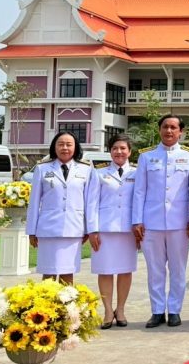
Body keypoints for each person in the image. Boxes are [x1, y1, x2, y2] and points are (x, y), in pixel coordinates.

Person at [132, 115, 189, 328]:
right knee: (155, 270)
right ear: (159, 130)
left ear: (181, 132)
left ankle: (175, 310)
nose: (169, 131)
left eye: (173, 127)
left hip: (179, 223)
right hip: (151, 222)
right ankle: (158, 311)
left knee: (178, 269)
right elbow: (139, 191)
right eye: (165, 127)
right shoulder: (146, 157)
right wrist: (137, 220)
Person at [26, 131, 97, 284]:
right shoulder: (42, 168)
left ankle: (66, 300)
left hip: (73, 229)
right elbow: (34, 202)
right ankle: (46, 300)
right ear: (54, 147)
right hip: (48, 229)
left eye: (69, 144)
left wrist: (89, 229)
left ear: (75, 147)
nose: (65, 148)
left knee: (67, 274)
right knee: (48, 275)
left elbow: (89, 203)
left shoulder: (86, 169)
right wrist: (31, 231)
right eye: (61, 144)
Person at [87, 135, 139, 329]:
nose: (119, 152)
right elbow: (91, 203)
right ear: (110, 151)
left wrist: (139, 225)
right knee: (105, 270)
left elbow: (140, 200)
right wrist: (92, 229)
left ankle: (121, 309)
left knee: (125, 270)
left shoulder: (137, 172)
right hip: (105, 229)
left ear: (129, 152)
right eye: (115, 148)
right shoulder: (99, 173)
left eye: (123, 148)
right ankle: (108, 310)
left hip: (128, 230)